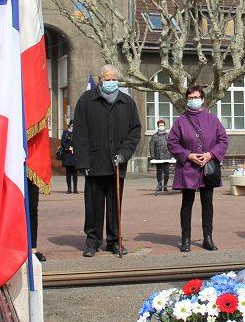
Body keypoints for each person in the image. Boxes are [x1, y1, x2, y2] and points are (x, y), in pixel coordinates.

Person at [72, 64, 142, 257]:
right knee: (93, 206)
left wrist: (124, 154)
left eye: (114, 79)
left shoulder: (127, 103)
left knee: (114, 205)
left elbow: (134, 132)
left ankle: (114, 241)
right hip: (94, 163)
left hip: (117, 164)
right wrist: (83, 162)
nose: (111, 82)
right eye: (107, 79)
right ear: (100, 80)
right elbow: (79, 133)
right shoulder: (87, 100)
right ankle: (93, 241)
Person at [167, 87, 229, 252]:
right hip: (188, 167)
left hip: (207, 167)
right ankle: (185, 238)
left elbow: (223, 140)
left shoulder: (212, 119)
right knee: (187, 204)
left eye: (196, 97)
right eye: (190, 97)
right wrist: (188, 155)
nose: (193, 100)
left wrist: (211, 154)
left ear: (202, 99)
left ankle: (207, 238)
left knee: (207, 204)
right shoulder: (180, 121)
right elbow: (172, 142)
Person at [149, 119, 173, 192]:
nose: (161, 126)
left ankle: (165, 186)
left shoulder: (168, 135)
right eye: (160, 125)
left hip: (167, 156)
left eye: (162, 125)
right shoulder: (154, 136)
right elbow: (151, 146)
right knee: (159, 172)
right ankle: (159, 186)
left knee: (166, 172)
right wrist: (153, 156)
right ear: (158, 126)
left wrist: (171, 155)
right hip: (158, 156)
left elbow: (171, 145)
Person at [60, 120, 78, 194]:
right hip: (67, 155)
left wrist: (74, 148)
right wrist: (68, 148)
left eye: (74, 125)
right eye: (72, 125)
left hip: (74, 156)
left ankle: (75, 189)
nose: (73, 126)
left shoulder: (77, 133)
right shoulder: (65, 132)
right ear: (70, 125)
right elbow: (62, 142)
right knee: (68, 173)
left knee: (75, 174)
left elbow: (79, 142)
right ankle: (69, 189)